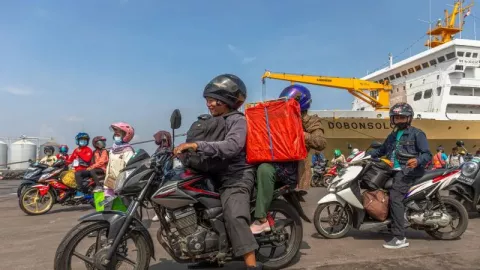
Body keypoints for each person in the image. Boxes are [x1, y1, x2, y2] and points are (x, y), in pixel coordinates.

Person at [173, 74, 261, 269]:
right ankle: (208, 256)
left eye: (213, 100)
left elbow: (232, 146)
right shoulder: (214, 121)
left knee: (234, 216)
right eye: (207, 100)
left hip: (236, 177)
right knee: (200, 212)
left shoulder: (237, 120)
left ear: (227, 100)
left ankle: (251, 265)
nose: (209, 104)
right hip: (214, 175)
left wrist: (197, 145)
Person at [251, 84, 327, 235]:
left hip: (291, 168)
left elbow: (320, 142)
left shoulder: (310, 121)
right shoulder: (278, 115)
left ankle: (261, 220)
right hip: (274, 160)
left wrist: (299, 133)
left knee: (264, 169)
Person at [368, 102, 432, 249]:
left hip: (409, 171)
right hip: (394, 171)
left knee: (395, 196)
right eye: (396, 117)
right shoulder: (392, 136)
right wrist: (364, 155)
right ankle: (389, 222)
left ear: (409, 118)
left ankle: (399, 237)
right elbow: (381, 150)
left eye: (402, 117)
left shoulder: (417, 133)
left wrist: (417, 160)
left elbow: (427, 154)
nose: (399, 120)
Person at [104, 122, 135, 195]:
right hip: (109, 182)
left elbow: (130, 168)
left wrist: (125, 183)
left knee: (120, 204)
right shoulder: (113, 149)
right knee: (107, 203)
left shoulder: (128, 151)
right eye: (115, 134)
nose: (115, 136)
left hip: (120, 183)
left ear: (126, 136)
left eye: (118, 134)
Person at [67, 133, 93, 198]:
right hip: (76, 170)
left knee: (77, 174)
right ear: (77, 141)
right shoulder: (75, 150)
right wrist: (63, 161)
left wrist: (79, 153)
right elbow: (70, 160)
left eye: (85, 140)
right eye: (81, 140)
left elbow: (87, 159)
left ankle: (80, 191)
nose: (83, 141)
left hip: (86, 170)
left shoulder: (88, 149)